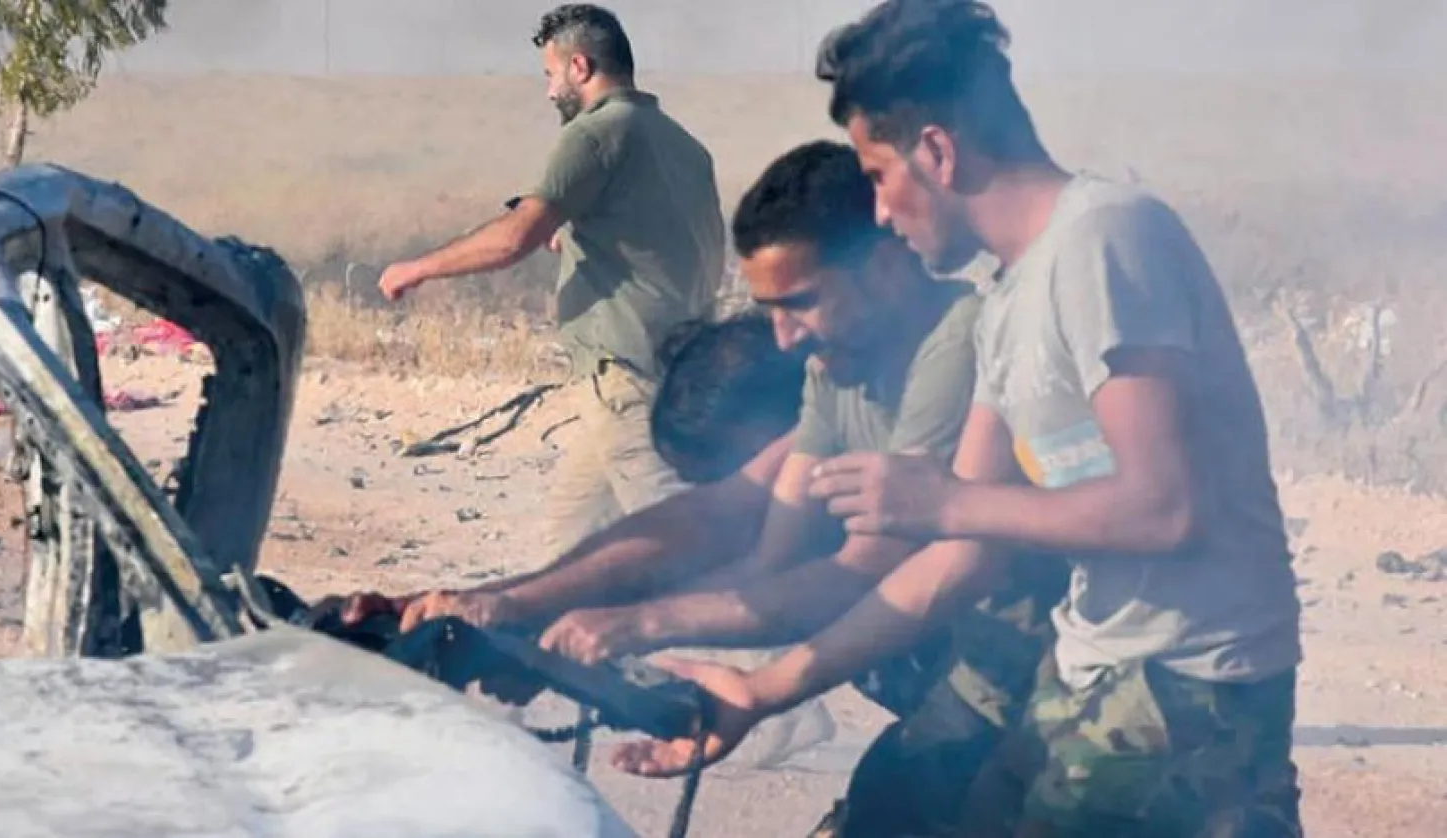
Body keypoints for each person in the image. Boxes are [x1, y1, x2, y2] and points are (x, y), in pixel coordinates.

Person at [615, 3, 1305, 836]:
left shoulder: (1105, 240)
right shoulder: (1010, 299)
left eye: (877, 174)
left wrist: (944, 503)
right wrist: (762, 692)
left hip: (1187, 688)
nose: (876, 212)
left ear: (937, 151)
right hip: (1093, 672)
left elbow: (1163, 506)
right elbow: (959, 556)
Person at [348, 140, 1063, 835]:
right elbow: (734, 532)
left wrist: (636, 626)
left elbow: (858, 573)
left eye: (802, 302)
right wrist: (523, 613)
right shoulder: (836, 370)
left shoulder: (958, 342)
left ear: (879, 266)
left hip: (1048, 685)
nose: (783, 339)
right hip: (973, 684)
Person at [375, 3, 726, 562]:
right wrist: (576, 236)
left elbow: (513, 238)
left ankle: (768, 640)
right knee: (572, 545)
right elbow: (656, 240)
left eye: (550, 74)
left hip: (629, 378)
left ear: (580, 67)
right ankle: (575, 645)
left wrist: (415, 269)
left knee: (690, 547)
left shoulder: (594, 135)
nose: (547, 91)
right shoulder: (681, 143)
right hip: (674, 367)